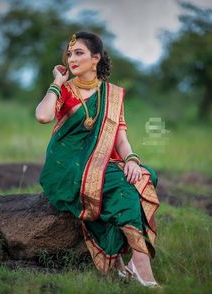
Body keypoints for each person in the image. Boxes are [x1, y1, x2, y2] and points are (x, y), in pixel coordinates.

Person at [35, 31, 160, 288]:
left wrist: (133, 161)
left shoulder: (112, 95)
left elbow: (120, 139)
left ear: (96, 58)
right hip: (67, 165)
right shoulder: (66, 90)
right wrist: (57, 83)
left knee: (143, 176)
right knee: (123, 188)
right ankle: (142, 265)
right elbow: (43, 116)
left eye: (79, 53)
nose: (72, 58)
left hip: (100, 162)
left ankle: (122, 265)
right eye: (69, 54)